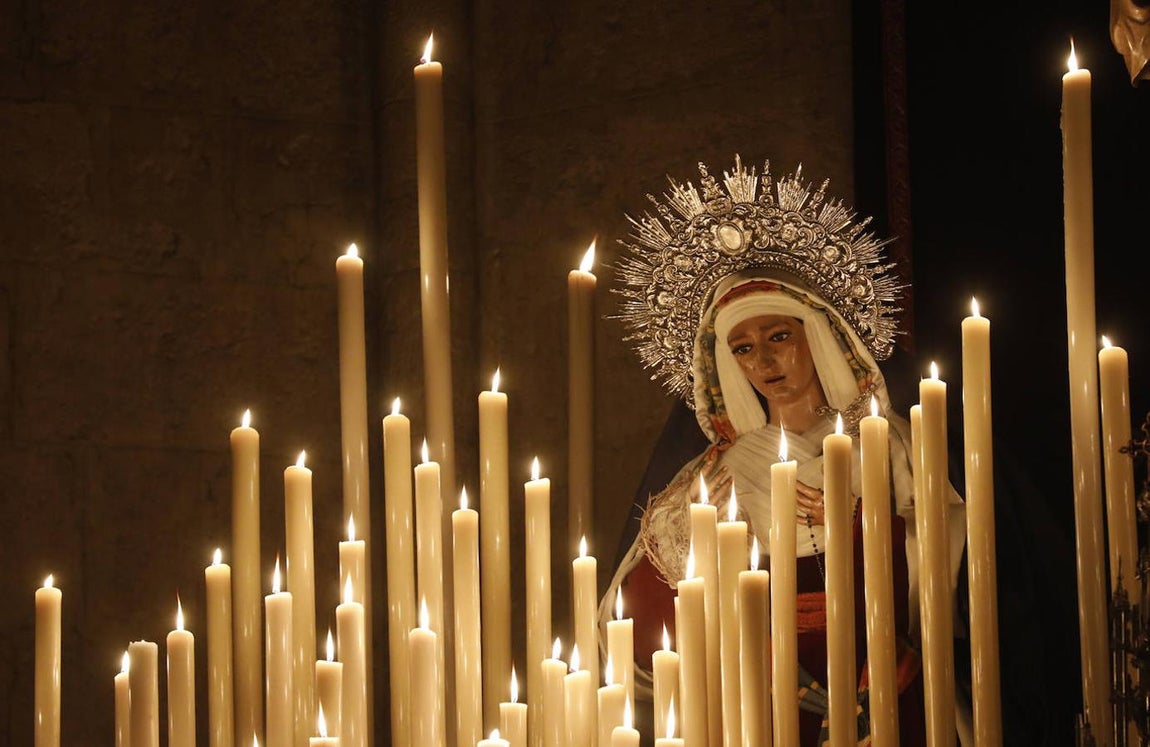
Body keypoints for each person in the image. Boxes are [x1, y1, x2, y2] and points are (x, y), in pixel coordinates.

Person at [602, 157, 969, 745]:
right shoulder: (716, 468)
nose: (765, 362)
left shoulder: (883, 439)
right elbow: (636, 611)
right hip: (763, 693)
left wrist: (864, 525)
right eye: (743, 349)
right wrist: (682, 545)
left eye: (779, 337)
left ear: (816, 336)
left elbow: (957, 549)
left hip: (878, 677)